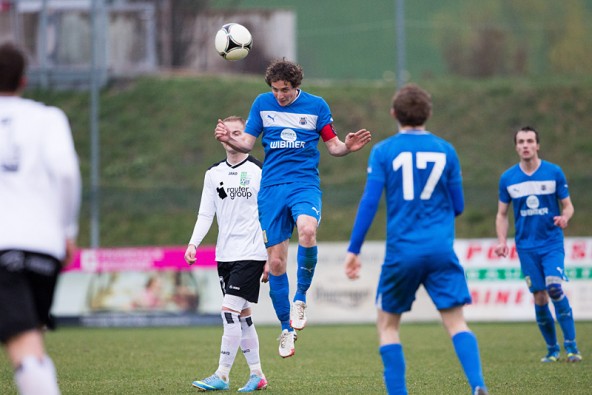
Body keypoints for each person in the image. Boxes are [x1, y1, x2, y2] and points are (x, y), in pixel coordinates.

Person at [214, 59, 372, 358]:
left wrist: (347, 147)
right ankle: (286, 329)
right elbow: (248, 142)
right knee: (275, 264)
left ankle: (300, 298)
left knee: (308, 230)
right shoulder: (262, 104)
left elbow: (334, 146)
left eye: (284, 90)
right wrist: (229, 137)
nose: (279, 95)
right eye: (275, 90)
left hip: (303, 184)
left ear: (295, 86)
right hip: (271, 189)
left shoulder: (316, 106)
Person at [344, 84, 488, 395]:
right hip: (439, 249)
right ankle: (478, 385)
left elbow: (370, 203)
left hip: (402, 252)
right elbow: (459, 206)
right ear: (428, 113)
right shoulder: (446, 150)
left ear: (394, 113)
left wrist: (353, 249)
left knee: (388, 326)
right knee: (456, 323)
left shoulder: (384, 151)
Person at [0, 42, 81, 395]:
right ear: (24, 80)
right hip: (43, 246)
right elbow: (66, 174)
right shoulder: (48, 118)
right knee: (27, 337)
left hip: (4, 245)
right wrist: (67, 230)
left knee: (23, 344)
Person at [185, 116, 269, 392]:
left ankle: (222, 374)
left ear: (247, 137)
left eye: (238, 133)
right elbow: (205, 212)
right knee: (243, 315)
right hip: (225, 254)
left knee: (229, 312)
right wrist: (193, 243)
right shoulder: (214, 174)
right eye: (229, 132)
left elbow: (271, 215)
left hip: (252, 252)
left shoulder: (259, 171)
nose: (233, 138)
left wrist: (271, 254)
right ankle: (257, 374)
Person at [494, 126, 581, 363]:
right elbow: (502, 214)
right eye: (521, 141)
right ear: (516, 147)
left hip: (551, 243)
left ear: (537, 145)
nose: (525, 145)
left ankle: (572, 347)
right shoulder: (508, 178)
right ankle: (552, 350)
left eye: (530, 141)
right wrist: (502, 241)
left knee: (554, 288)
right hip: (526, 247)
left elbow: (568, 205)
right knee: (540, 297)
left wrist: (565, 218)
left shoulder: (553, 172)